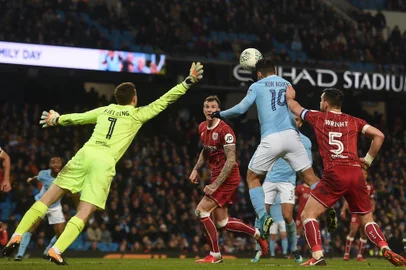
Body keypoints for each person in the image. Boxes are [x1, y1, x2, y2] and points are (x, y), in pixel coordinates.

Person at [2, 62, 204, 265]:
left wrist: (57, 119)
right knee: (85, 210)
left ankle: (17, 235)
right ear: (134, 99)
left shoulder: (105, 110)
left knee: (46, 199)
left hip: (84, 154)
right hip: (104, 161)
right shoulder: (137, 114)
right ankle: (56, 249)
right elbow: (165, 100)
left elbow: (79, 118)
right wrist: (188, 82)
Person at [212, 58, 335, 239]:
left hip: (271, 138)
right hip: (293, 137)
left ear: (259, 74)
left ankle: (263, 217)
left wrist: (219, 114)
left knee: (252, 178)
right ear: (275, 70)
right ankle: (329, 205)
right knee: (310, 178)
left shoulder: (256, 86)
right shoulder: (286, 83)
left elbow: (240, 109)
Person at [286, 86, 406, 267]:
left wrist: (289, 97)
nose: (320, 103)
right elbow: (379, 136)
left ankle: (318, 256)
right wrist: (368, 160)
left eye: (321, 100)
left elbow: (294, 107)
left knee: (308, 215)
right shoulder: (354, 121)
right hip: (356, 173)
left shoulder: (318, 117)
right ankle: (385, 247)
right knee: (368, 220)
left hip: (335, 173)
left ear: (325, 104)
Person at [190, 96, 268, 264]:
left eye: (213, 107)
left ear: (218, 110)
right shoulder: (202, 127)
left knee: (201, 211)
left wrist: (215, 184)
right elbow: (205, 151)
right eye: (207, 106)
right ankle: (257, 233)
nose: (210, 110)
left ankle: (215, 255)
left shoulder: (226, 131)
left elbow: (231, 161)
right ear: (203, 110)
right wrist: (196, 169)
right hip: (216, 175)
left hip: (228, 177)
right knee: (222, 222)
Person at [252, 116, 311, 263]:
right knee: (261, 214)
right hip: (270, 180)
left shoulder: (305, 142)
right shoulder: (275, 136)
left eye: (297, 120)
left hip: (288, 182)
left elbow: (306, 167)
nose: (294, 122)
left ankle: (294, 249)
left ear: (301, 123)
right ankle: (258, 250)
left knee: (287, 217)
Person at [14, 156, 65, 261]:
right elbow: (37, 177)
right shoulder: (44, 174)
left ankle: (47, 251)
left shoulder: (66, 176)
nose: (55, 164)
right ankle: (19, 254)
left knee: (61, 233)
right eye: (53, 162)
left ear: (62, 165)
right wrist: (30, 179)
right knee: (31, 228)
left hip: (55, 206)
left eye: (58, 162)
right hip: (42, 203)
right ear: (49, 165)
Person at [341, 168, 375, 261]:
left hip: (366, 212)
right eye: (362, 173)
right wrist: (343, 210)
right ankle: (346, 254)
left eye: (365, 174)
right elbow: (348, 199)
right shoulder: (354, 185)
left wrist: (373, 208)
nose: (363, 175)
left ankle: (359, 256)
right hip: (356, 212)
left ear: (367, 175)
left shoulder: (370, 187)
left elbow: (371, 199)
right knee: (353, 231)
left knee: (364, 234)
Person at [252, 195, 286, 262]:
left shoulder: (281, 194)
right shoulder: (268, 196)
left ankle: (285, 253)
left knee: (284, 235)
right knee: (266, 237)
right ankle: (270, 254)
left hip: (281, 219)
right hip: (272, 219)